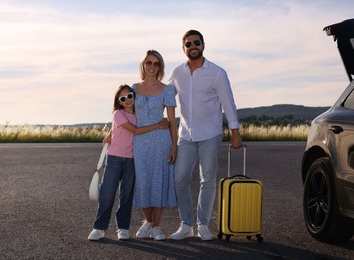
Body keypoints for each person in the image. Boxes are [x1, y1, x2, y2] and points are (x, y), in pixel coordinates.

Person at [168, 30, 242, 241]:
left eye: (196, 42)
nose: (193, 46)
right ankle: (186, 224)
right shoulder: (177, 73)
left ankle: (202, 224)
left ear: (203, 45)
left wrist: (235, 132)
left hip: (210, 134)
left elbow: (228, 103)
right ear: (183, 48)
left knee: (207, 179)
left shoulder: (217, 73)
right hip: (186, 135)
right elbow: (164, 96)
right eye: (188, 44)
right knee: (180, 178)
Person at [88, 84, 169, 241]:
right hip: (114, 159)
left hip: (132, 160)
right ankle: (99, 228)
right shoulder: (118, 113)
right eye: (123, 98)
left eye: (129, 96)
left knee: (126, 196)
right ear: (119, 101)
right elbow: (135, 130)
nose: (127, 100)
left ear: (134, 96)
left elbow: (132, 128)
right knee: (107, 194)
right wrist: (157, 125)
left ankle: (123, 228)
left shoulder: (139, 114)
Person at [132, 50, 178, 241]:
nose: (152, 67)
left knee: (160, 182)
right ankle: (148, 221)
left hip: (161, 141)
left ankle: (157, 227)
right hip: (140, 142)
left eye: (156, 64)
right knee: (142, 182)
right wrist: (112, 133)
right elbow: (125, 115)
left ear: (160, 67)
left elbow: (172, 121)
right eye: (148, 63)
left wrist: (174, 146)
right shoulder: (134, 88)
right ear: (143, 65)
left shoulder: (167, 89)